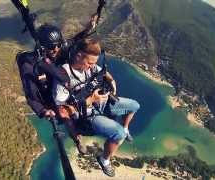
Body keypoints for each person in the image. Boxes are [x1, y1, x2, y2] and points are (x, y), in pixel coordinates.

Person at [53, 38, 140, 177]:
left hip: (101, 102)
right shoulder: (64, 76)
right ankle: (104, 160)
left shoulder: (91, 67)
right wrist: (90, 101)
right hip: (87, 115)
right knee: (118, 135)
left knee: (134, 106)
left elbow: (104, 73)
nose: (92, 66)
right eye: (89, 62)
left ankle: (125, 127)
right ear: (79, 56)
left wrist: (112, 82)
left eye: (94, 63)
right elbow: (62, 111)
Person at [17, 14, 99, 152]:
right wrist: (43, 111)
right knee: (64, 115)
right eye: (51, 47)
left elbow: (75, 41)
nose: (55, 50)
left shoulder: (61, 49)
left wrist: (88, 29)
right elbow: (30, 93)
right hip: (49, 96)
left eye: (58, 45)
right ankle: (77, 139)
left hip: (63, 90)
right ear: (42, 47)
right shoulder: (30, 65)